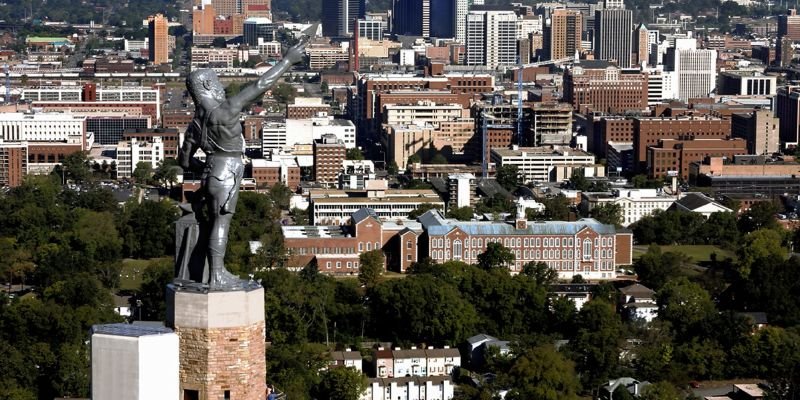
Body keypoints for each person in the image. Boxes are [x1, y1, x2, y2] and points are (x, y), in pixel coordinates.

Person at [179, 35, 309, 290]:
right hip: (227, 173)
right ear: (206, 84)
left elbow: (184, 161)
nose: (220, 87)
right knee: (221, 224)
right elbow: (260, 85)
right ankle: (217, 275)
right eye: (216, 82)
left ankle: (215, 271)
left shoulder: (194, 124)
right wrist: (288, 61)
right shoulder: (224, 111)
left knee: (215, 222)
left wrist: (206, 171)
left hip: (210, 174)